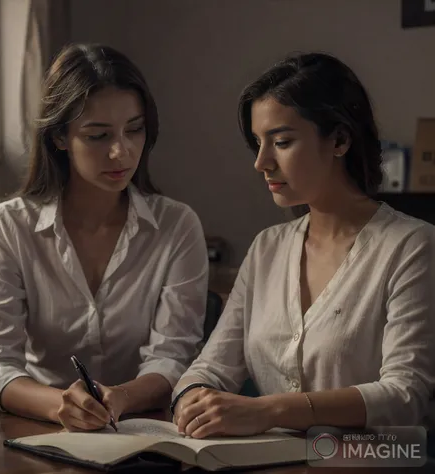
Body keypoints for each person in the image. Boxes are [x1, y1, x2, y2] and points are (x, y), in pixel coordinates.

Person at [171, 52, 435, 439]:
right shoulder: (267, 249)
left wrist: (269, 410)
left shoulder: (412, 246)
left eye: (281, 141)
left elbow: (404, 395)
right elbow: (210, 369)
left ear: (340, 140)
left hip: (373, 463)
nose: (262, 162)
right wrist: (192, 398)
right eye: (258, 144)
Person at [0, 43, 209, 431]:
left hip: (144, 430)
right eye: (98, 135)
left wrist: (122, 397)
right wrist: (59, 405)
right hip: (38, 429)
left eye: (134, 130)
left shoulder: (176, 226)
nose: (121, 152)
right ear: (60, 137)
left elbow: (174, 356)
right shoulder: (10, 226)